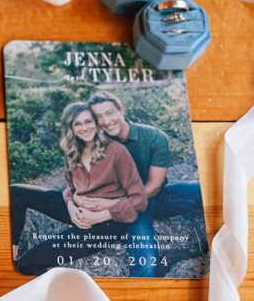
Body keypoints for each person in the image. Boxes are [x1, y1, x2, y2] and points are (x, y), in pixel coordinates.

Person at [11, 102, 160, 277]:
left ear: (96, 124)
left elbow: (139, 199)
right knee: (15, 192)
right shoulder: (73, 150)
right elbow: (70, 187)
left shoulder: (117, 151)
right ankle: (10, 254)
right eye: (77, 124)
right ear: (71, 128)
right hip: (79, 210)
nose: (84, 128)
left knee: (28, 263)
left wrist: (99, 216)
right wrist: (70, 206)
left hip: (106, 224)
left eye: (88, 121)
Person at [87, 91, 205, 225]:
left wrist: (117, 203)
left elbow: (154, 186)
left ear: (121, 110)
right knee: (145, 246)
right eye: (98, 117)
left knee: (203, 190)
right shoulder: (96, 145)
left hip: (155, 197)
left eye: (109, 113)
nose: (106, 121)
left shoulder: (154, 137)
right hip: (126, 208)